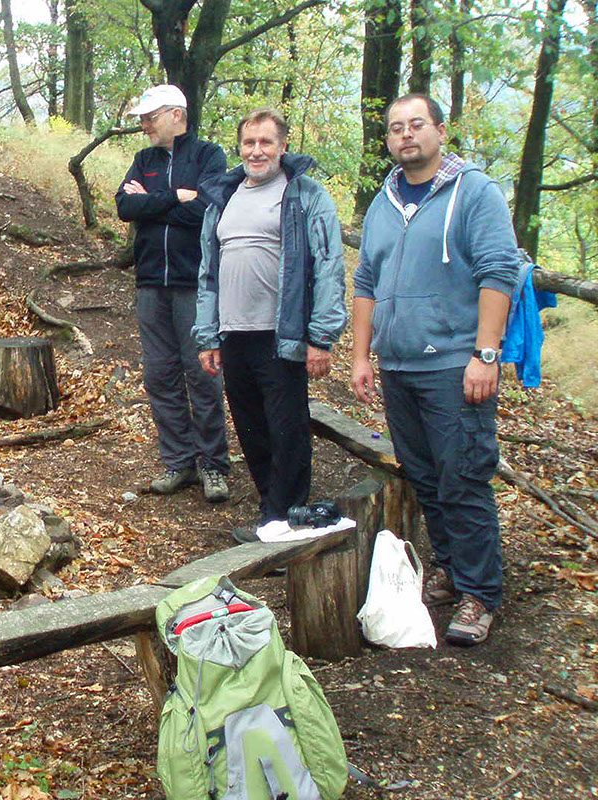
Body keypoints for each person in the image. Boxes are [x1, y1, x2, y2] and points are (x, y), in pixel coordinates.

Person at [351, 93, 520, 646]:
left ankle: (480, 594)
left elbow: (500, 271)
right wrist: (360, 355)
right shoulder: (383, 203)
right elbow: (367, 284)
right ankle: (451, 569)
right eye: (396, 128)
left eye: (416, 124)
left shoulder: (474, 193)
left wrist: (485, 354)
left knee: (463, 474)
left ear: (440, 131)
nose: (406, 135)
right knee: (425, 478)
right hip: (399, 365)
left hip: (455, 364)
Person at [193, 108, 347, 537]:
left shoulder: (304, 195)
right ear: (239, 147)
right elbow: (208, 270)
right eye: (248, 142)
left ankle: (287, 522)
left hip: (283, 336)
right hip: (234, 334)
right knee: (252, 430)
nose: (256, 150)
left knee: (287, 431)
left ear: (282, 146)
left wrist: (321, 337)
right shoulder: (224, 198)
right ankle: (272, 515)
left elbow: (329, 267)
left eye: (266, 142)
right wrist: (208, 335)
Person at [115, 84, 231, 500]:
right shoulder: (143, 159)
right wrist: (172, 198)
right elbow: (125, 207)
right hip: (150, 283)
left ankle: (214, 465)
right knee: (160, 376)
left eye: (151, 116)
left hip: (195, 284)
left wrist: (154, 203)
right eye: (143, 118)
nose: (144, 124)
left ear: (177, 116)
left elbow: (207, 210)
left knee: (202, 375)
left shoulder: (208, 156)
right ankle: (178, 462)